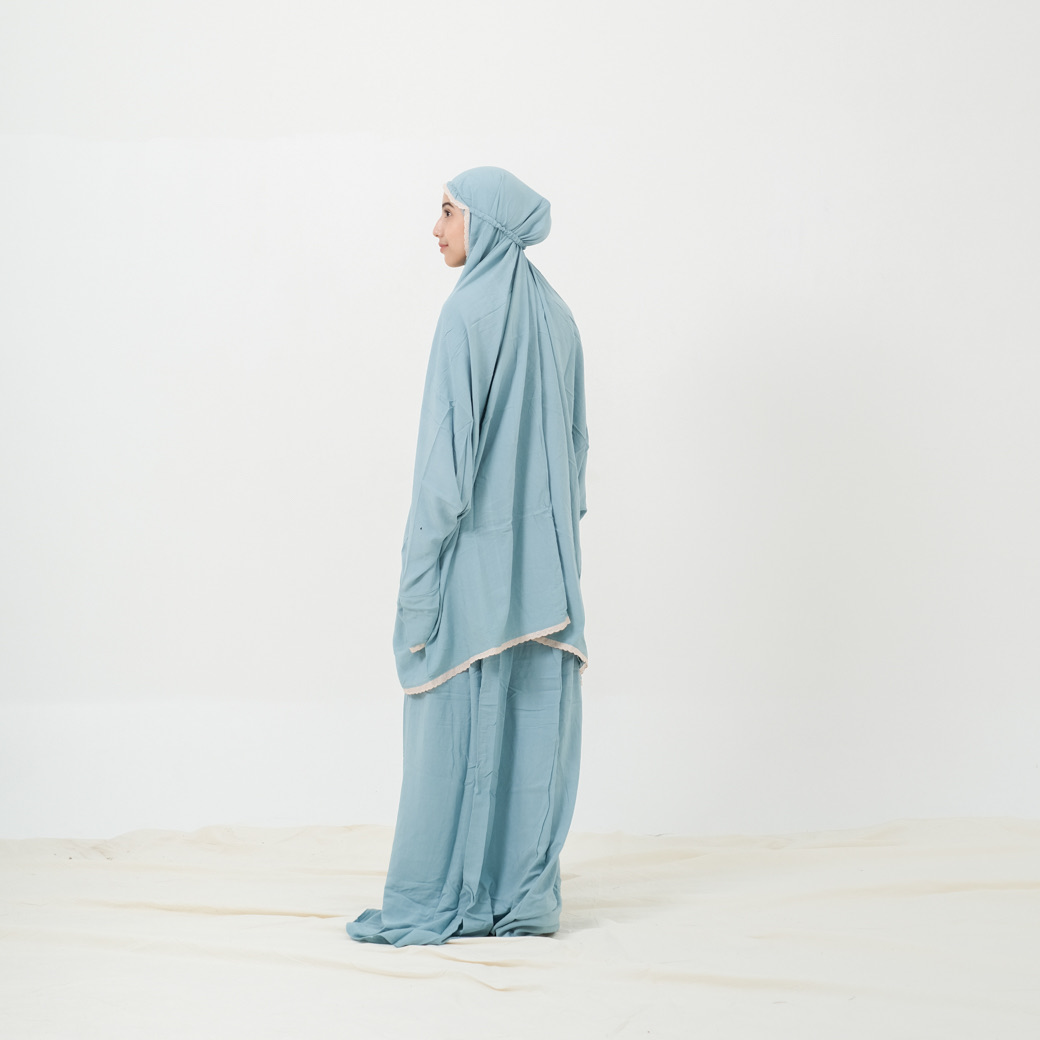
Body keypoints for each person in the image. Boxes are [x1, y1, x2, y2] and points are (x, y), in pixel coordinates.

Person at [346, 167, 589, 946]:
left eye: (448, 212)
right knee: (530, 739)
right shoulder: (559, 318)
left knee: (451, 740)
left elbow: (443, 475)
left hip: (472, 578)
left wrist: (419, 585)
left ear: (484, 223)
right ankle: (520, 900)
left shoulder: (464, 316)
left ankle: (438, 894)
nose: (437, 228)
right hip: (547, 584)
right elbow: (577, 453)